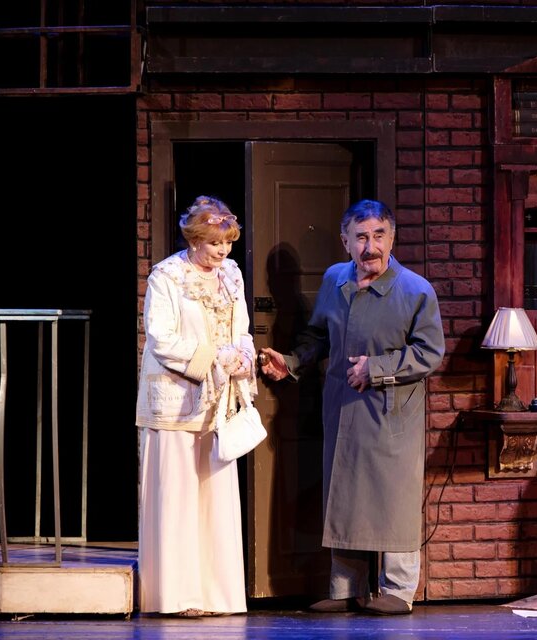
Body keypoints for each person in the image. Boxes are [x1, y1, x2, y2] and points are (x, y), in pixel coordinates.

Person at [259, 199, 445, 616]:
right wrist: (290, 363)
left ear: (392, 239)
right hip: (344, 409)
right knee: (346, 495)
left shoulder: (415, 290)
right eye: (361, 237)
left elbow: (430, 353)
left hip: (391, 413)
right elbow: (318, 336)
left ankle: (398, 589)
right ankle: (346, 588)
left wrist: (376, 368)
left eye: (379, 236)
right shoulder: (334, 280)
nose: (370, 247)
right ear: (346, 241)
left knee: (393, 497)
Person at [135, 195, 256, 617]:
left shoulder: (232, 275)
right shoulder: (167, 276)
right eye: (214, 244)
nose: (223, 251)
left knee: (215, 498)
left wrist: (244, 357)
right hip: (175, 401)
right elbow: (161, 337)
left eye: (228, 243)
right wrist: (215, 358)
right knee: (178, 497)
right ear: (194, 239)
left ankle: (217, 596)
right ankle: (178, 597)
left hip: (218, 400)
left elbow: (242, 328)